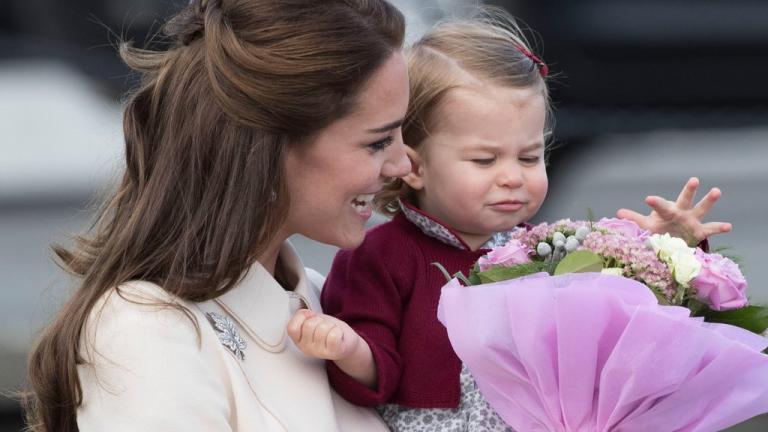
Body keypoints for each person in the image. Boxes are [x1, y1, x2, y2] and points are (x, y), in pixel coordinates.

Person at [286, 9, 733, 432]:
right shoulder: (381, 256)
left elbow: (619, 331)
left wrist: (663, 251)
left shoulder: (552, 249)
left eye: (530, 157)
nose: (512, 177)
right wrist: (348, 349)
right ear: (415, 166)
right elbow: (373, 369)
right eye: (484, 160)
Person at [24, 0, 412, 430]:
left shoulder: (332, 299)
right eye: (377, 142)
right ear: (269, 149)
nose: (403, 165)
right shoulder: (145, 331)